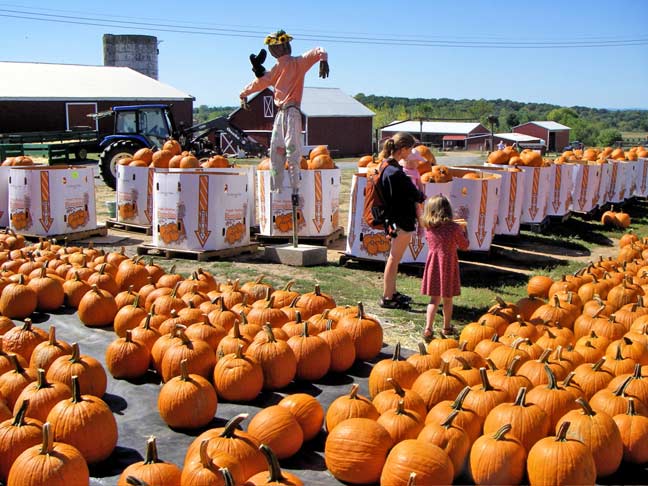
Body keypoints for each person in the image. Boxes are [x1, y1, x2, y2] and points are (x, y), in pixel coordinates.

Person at [239, 29, 329, 194]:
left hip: (292, 111)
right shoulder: (276, 69)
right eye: (278, 46)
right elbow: (259, 83)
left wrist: (323, 59)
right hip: (281, 114)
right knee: (276, 151)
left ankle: (295, 190)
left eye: (282, 45)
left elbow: (318, 51)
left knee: (291, 151)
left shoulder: (298, 63)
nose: (281, 48)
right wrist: (244, 93)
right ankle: (277, 190)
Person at [378, 132, 426, 310]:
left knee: (394, 258)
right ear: (404, 149)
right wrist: (421, 194)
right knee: (394, 259)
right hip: (401, 221)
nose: (411, 153)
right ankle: (388, 297)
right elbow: (415, 194)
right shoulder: (396, 173)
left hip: (393, 220)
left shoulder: (386, 166)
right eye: (410, 149)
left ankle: (392, 291)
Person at [420, 195, 469, 341]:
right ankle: (446, 327)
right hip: (448, 264)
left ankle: (428, 328)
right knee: (447, 299)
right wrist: (465, 230)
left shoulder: (429, 227)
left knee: (433, 299)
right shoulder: (454, 228)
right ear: (448, 210)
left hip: (433, 265)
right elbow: (464, 245)